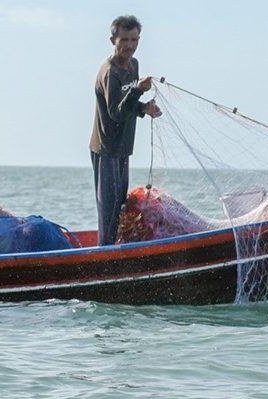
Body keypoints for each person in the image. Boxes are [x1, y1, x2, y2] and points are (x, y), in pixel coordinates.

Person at [89, 15, 162, 246]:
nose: (130, 46)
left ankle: (113, 250)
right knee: (109, 210)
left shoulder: (134, 65)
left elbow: (127, 105)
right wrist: (138, 91)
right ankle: (105, 256)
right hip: (106, 149)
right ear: (113, 40)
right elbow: (115, 113)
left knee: (120, 205)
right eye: (125, 40)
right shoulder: (110, 72)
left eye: (135, 40)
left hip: (123, 147)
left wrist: (144, 108)